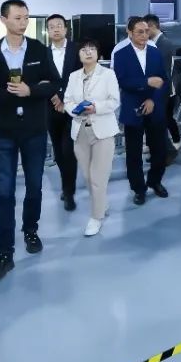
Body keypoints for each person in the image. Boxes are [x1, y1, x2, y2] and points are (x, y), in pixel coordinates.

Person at [0, 0, 58, 280]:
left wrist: (31, 91)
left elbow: (54, 83)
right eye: (17, 18)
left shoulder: (38, 49)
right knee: (5, 191)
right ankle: (5, 250)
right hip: (5, 132)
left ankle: (30, 229)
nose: (23, 22)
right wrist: (16, 93)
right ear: (4, 20)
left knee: (35, 185)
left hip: (35, 131)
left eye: (26, 17)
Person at [63, 39, 121, 236]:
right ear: (78, 55)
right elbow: (67, 100)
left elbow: (114, 101)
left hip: (102, 131)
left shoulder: (108, 74)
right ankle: (101, 203)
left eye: (92, 49)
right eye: (84, 50)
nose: (88, 52)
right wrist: (75, 110)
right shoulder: (74, 76)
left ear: (98, 54)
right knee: (88, 176)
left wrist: (96, 107)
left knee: (98, 177)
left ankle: (96, 217)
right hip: (80, 131)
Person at [113, 17, 168, 205]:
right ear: (129, 33)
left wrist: (153, 99)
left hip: (155, 107)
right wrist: (146, 82)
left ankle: (155, 181)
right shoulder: (121, 54)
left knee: (159, 150)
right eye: (140, 32)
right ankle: (139, 189)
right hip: (133, 108)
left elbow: (163, 79)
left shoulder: (155, 52)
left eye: (146, 31)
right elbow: (122, 81)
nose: (145, 35)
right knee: (134, 153)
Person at [46, 14, 80, 211]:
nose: (56, 29)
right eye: (52, 27)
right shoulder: (42, 53)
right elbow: (40, 79)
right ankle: (65, 184)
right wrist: (54, 96)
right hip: (51, 109)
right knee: (58, 153)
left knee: (69, 152)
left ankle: (69, 193)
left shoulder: (77, 50)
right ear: (48, 31)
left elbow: (83, 76)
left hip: (72, 109)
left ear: (66, 29)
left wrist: (63, 98)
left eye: (59, 25)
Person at [145, 14, 181, 161]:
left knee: (162, 122)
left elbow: (162, 70)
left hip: (162, 90)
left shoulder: (164, 43)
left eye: (146, 29)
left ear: (153, 26)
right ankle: (159, 151)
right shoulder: (153, 42)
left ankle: (168, 150)